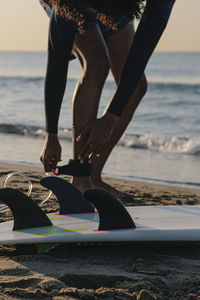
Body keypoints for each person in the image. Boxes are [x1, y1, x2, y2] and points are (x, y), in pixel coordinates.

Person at [40, 0, 148, 198]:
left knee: (137, 86)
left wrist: (111, 117)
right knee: (97, 62)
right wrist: (51, 135)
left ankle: (93, 176)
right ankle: (81, 179)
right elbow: (57, 62)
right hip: (75, 2)